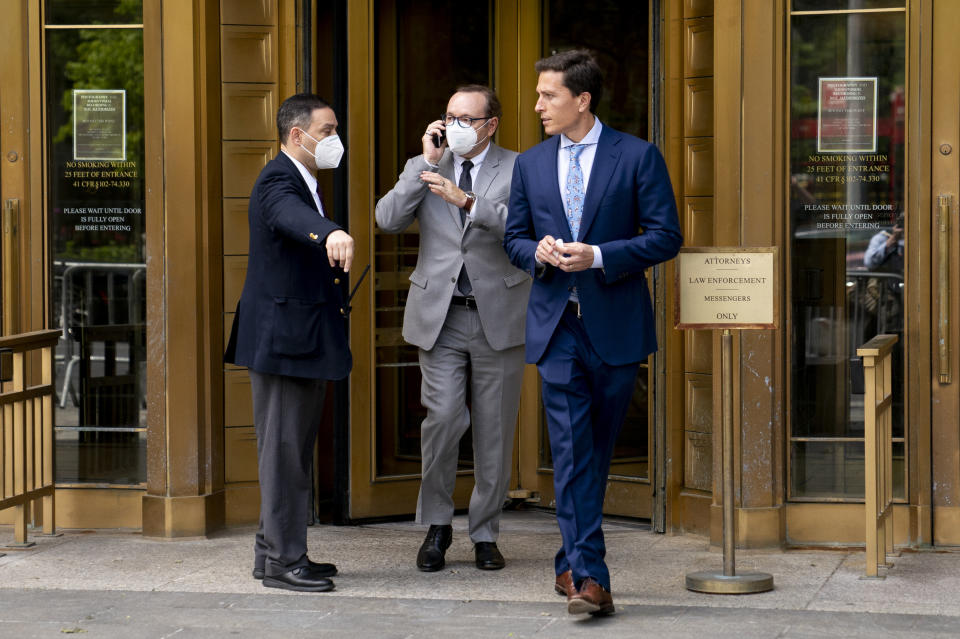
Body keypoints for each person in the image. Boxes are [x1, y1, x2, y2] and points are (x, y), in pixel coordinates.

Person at [503, 50, 682, 616]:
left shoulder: (637, 156)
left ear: (581, 99)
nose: (537, 106)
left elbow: (665, 237)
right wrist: (538, 251)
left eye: (547, 96)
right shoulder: (530, 164)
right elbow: (513, 239)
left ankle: (568, 561)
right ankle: (590, 580)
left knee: (594, 453)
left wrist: (600, 255)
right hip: (556, 327)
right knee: (572, 449)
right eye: (538, 95)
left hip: (616, 325)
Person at [376, 85, 530, 572]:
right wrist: (422, 169)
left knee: (494, 430)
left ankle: (485, 532)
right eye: (449, 116)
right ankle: (437, 524)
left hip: (497, 315)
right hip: (439, 316)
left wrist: (469, 202)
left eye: (467, 118)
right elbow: (387, 219)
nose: (456, 125)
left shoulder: (520, 167)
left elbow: (527, 227)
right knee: (442, 419)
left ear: (491, 125)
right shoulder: (423, 164)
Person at [224, 93, 354, 593]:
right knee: (283, 454)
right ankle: (282, 562)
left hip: (299, 338)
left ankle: (273, 553)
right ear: (297, 136)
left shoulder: (306, 180)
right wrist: (330, 232)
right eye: (327, 132)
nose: (334, 141)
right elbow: (286, 215)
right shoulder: (278, 178)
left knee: (291, 452)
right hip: (284, 341)